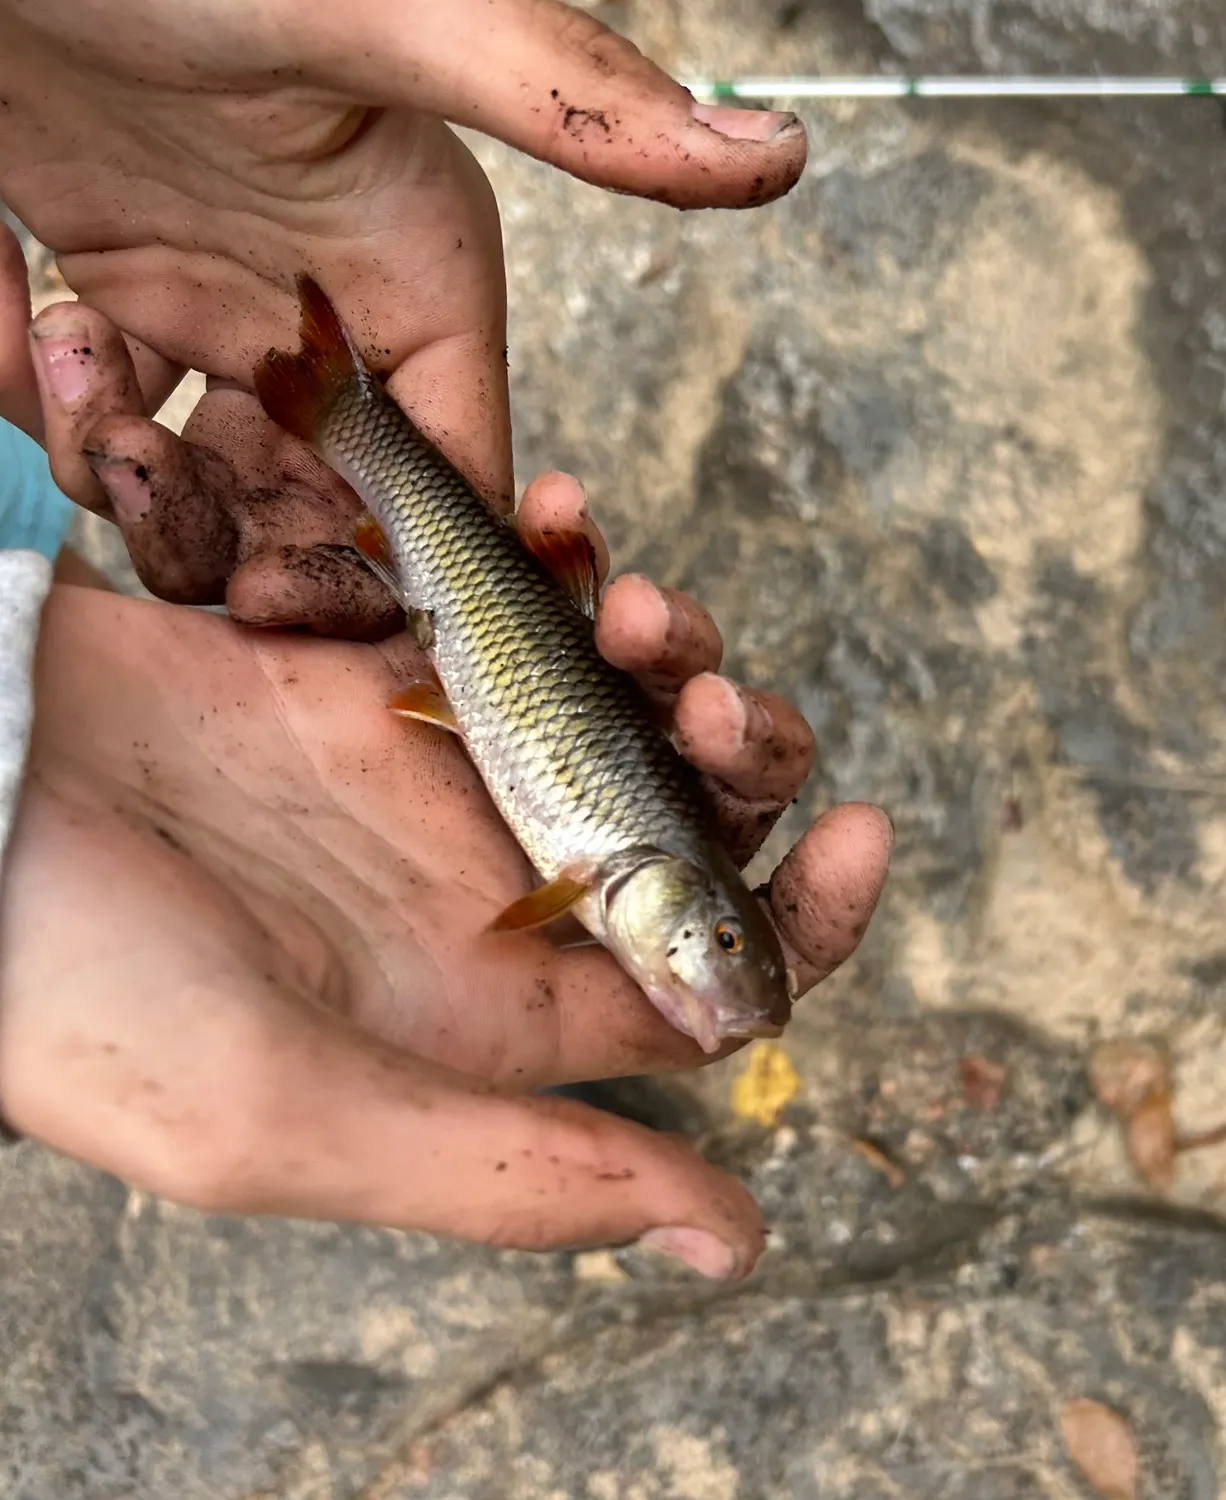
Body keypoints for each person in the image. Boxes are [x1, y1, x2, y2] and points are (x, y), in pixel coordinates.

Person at [0, 0, 893, 1281]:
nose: (713, 965)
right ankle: (342, 415)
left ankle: (334, 423)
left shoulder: (590, 878)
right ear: (687, 905)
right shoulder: (593, 877)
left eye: (719, 951)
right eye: (724, 945)